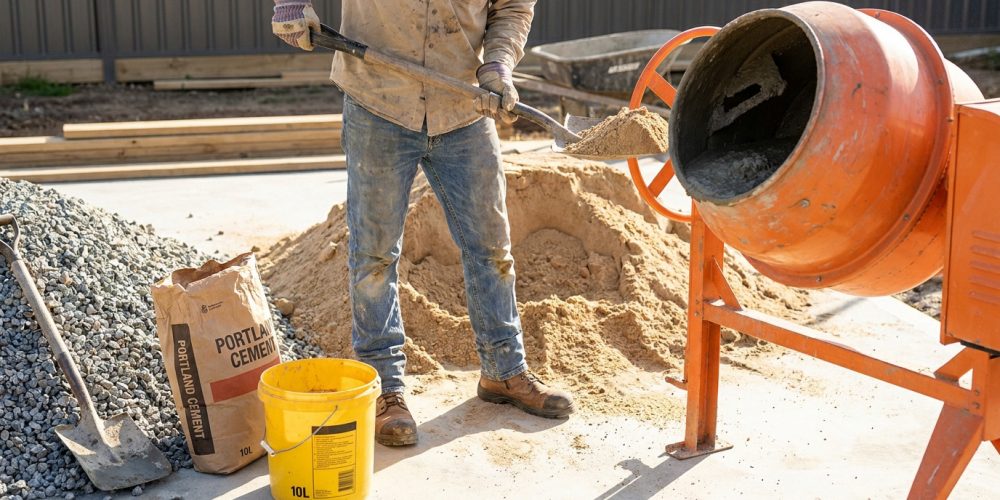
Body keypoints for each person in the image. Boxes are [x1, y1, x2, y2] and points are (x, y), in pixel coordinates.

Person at [271, 0, 574, 446]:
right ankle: (384, 388)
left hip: (463, 105)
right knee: (374, 255)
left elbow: (511, 6)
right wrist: (291, 5)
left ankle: (503, 372)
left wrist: (498, 64)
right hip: (379, 102)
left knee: (492, 249)